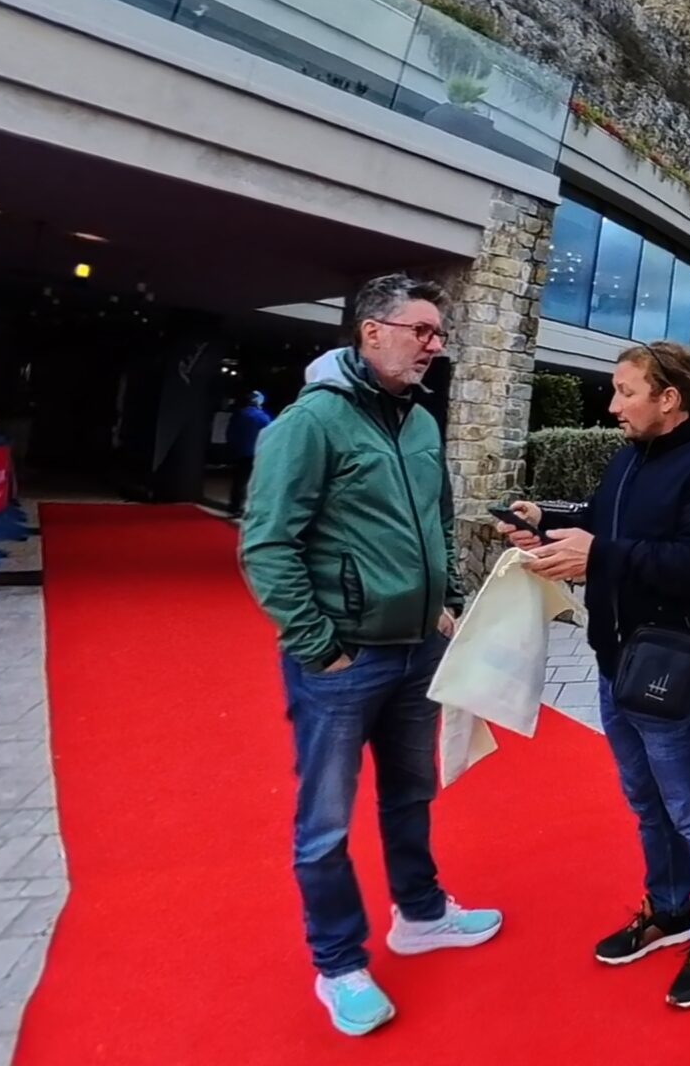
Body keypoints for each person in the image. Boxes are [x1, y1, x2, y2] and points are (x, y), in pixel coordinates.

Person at [239, 274, 500, 1038]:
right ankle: (338, 964)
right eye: (421, 330)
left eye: (439, 333)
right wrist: (319, 647)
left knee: (411, 793)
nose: (434, 345)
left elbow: (440, 521)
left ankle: (420, 913)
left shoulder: (419, 422)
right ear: (371, 332)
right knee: (324, 821)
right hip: (345, 662)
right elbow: (267, 544)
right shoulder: (311, 422)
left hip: (418, 651)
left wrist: (448, 599)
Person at [503, 341, 690, 1011]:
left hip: (676, 670)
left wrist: (601, 555)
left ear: (668, 399)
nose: (613, 406)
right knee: (647, 805)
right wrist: (545, 522)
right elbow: (603, 521)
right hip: (616, 663)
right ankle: (669, 910)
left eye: (625, 393)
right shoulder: (631, 456)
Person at [224, 389, 273, 518]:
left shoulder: (238, 415)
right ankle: (253, 508)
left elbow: (230, 433)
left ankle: (235, 507)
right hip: (257, 453)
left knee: (239, 481)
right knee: (255, 482)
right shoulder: (262, 417)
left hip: (240, 452)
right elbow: (270, 434)